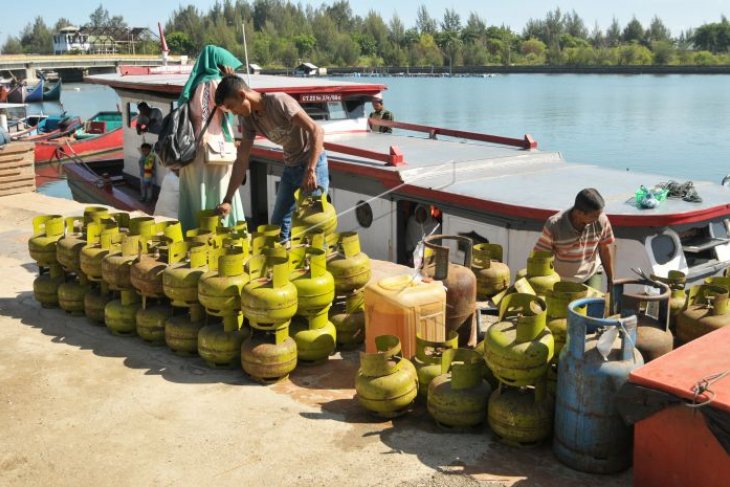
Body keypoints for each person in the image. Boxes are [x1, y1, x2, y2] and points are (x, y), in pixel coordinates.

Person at [214, 74, 328, 242]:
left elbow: (316, 131)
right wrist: (227, 200)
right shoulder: (248, 120)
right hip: (291, 167)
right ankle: (281, 264)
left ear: (242, 95)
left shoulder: (279, 102)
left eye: (232, 107)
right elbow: (242, 160)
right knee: (277, 227)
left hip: (313, 164)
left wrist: (311, 170)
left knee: (313, 225)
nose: (234, 112)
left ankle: (318, 266)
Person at [176, 45, 246, 232]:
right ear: (220, 64)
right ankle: (221, 233)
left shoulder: (193, 84)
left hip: (191, 149)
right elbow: (235, 105)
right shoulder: (215, 83)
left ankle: (194, 232)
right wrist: (231, 80)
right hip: (214, 150)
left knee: (194, 193)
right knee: (220, 192)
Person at [533, 188, 615, 290]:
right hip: (560, 279)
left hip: (590, 274)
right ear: (578, 213)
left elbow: (605, 250)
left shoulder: (601, 220)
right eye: (594, 216)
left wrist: (611, 280)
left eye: (599, 214)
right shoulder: (554, 225)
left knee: (591, 303)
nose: (597, 218)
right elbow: (541, 256)